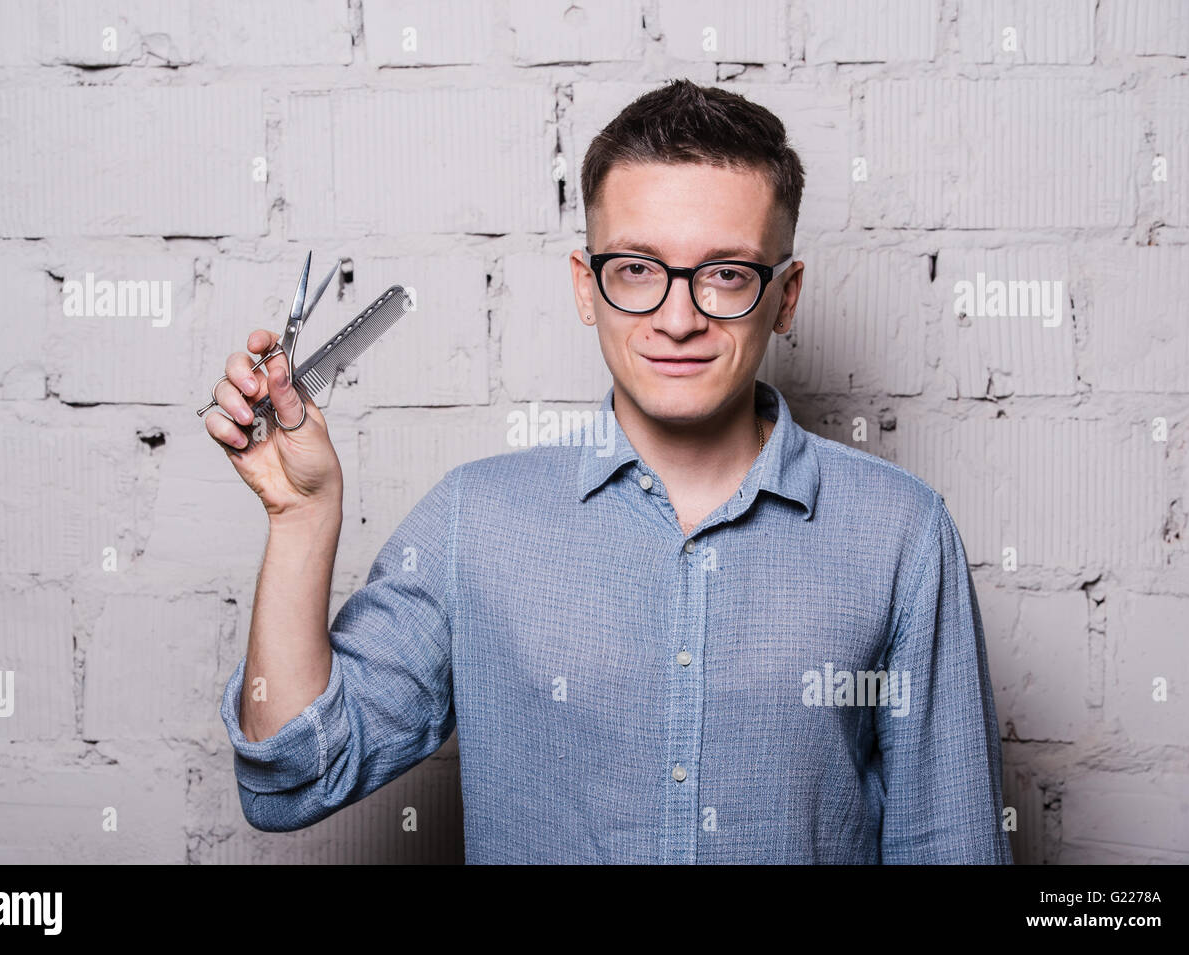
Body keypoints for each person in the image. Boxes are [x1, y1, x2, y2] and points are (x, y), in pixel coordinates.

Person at [205, 78, 1013, 864]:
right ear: (586, 288)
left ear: (786, 295)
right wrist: (301, 517)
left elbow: (952, 847)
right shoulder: (474, 522)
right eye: (636, 269)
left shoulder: (902, 536)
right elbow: (290, 778)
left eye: (726, 273)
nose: (678, 317)